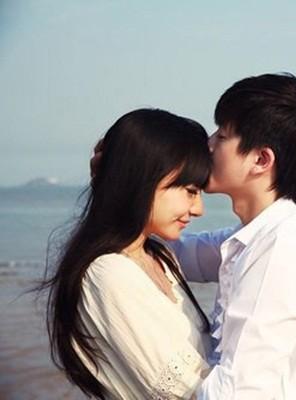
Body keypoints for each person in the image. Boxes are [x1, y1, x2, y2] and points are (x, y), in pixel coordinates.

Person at [172, 73, 296, 399]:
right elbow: (175, 255)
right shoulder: (262, 234)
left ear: (261, 160)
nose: (208, 144)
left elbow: (239, 391)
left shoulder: (285, 243)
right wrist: (123, 179)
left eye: (222, 135)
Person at [40, 108, 214, 399]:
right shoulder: (107, 274)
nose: (198, 209)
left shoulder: (161, 257)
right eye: (190, 190)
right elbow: (185, 391)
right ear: (141, 180)